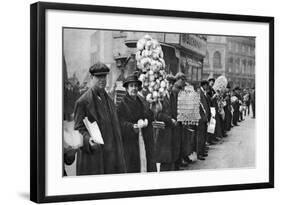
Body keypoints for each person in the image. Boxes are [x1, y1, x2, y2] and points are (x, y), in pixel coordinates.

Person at [73, 63, 126, 175]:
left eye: (104, 76)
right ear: (91, 78)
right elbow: (78, 130)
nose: (102, 80)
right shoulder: (82, 102)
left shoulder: (109, 100)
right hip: (94, 158)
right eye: (98, 77)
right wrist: (88, 140)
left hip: (111, 157)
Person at [117, 74, 156, 173]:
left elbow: (149, 115)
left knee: (146, 164)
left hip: (144, 139)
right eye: (131, 86)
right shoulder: (122, 104)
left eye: (135, 86)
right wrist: (131, 126)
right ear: (126, 88)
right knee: (133, 167)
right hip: (131, 143)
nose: (134, 88)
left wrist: (150, 115)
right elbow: (119, 123)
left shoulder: (141, 101)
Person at [155, 74, 178, 171]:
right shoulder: (161, 96)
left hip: (171, 130)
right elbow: (157, 115)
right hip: (164, 130)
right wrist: (170, 120)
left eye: (172, 84)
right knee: (165, 158)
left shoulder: (172, 95)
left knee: (171, 158)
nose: (171, 86)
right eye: (169, 83)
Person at [197, 80, 211, 160]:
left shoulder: (203, 93)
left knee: (203, 135)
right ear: (204, 85)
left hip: (204, 118)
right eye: (207, 85)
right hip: (201, 118)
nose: (208, 87)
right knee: (200, 136)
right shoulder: (200, 93)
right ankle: (199, 153)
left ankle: (202, 151)